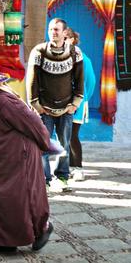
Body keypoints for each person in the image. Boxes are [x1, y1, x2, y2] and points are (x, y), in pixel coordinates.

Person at [0, 59, 53, 252]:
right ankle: (5, 241)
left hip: (19, 159)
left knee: (21, 197)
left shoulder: (4, 101)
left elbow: (34, 123)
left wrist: (44, 143)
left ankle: (41, 230)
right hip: (5, 160)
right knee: (0, 197)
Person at [26, 18, 84, 192]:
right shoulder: (39, 51)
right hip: (44, 109)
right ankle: (44, 180)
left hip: (66, 109)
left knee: (64, 144)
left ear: (65, 32)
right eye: (51, 29)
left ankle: (63, 177)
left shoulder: (75, 52)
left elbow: (80, 80)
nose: (53, 32)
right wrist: (34, 104)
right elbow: (32, 79)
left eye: (57, 29)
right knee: (43, 145)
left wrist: (75, 103)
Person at [65, 29, 96, 182]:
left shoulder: (84, 59)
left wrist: (81, 100)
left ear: (73, 39)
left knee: (72, 136)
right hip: (62, 104)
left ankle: (78, 168)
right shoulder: (59, 58)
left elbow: (91, 83)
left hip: (77, 104)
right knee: (64, 136)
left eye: (67, 38)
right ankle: (70, 166)